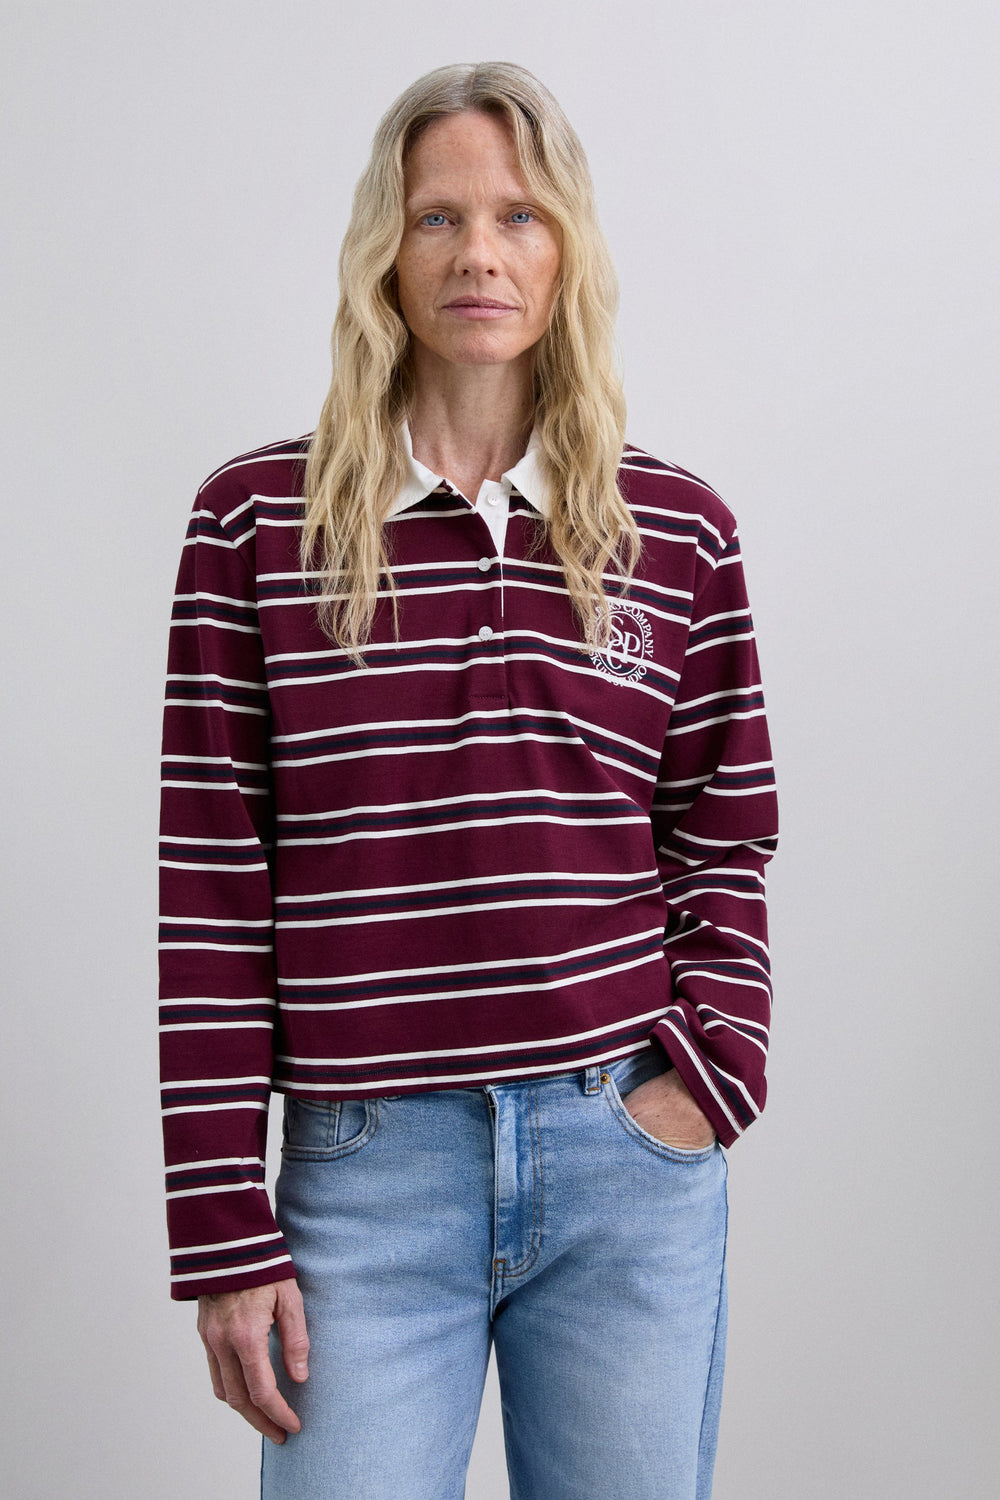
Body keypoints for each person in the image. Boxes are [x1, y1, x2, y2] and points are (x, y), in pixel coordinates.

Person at [158, 61, 778, 1500]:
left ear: (568, 251)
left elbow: (722, 833)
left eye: (519, 215)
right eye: (437, 217)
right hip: (365, 1182)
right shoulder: (254, 526)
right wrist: (222, 1223)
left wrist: (711, 1078)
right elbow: (211, 886)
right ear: (384, 250)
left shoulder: (676, 532)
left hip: (626, 1153)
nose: (479, 254)